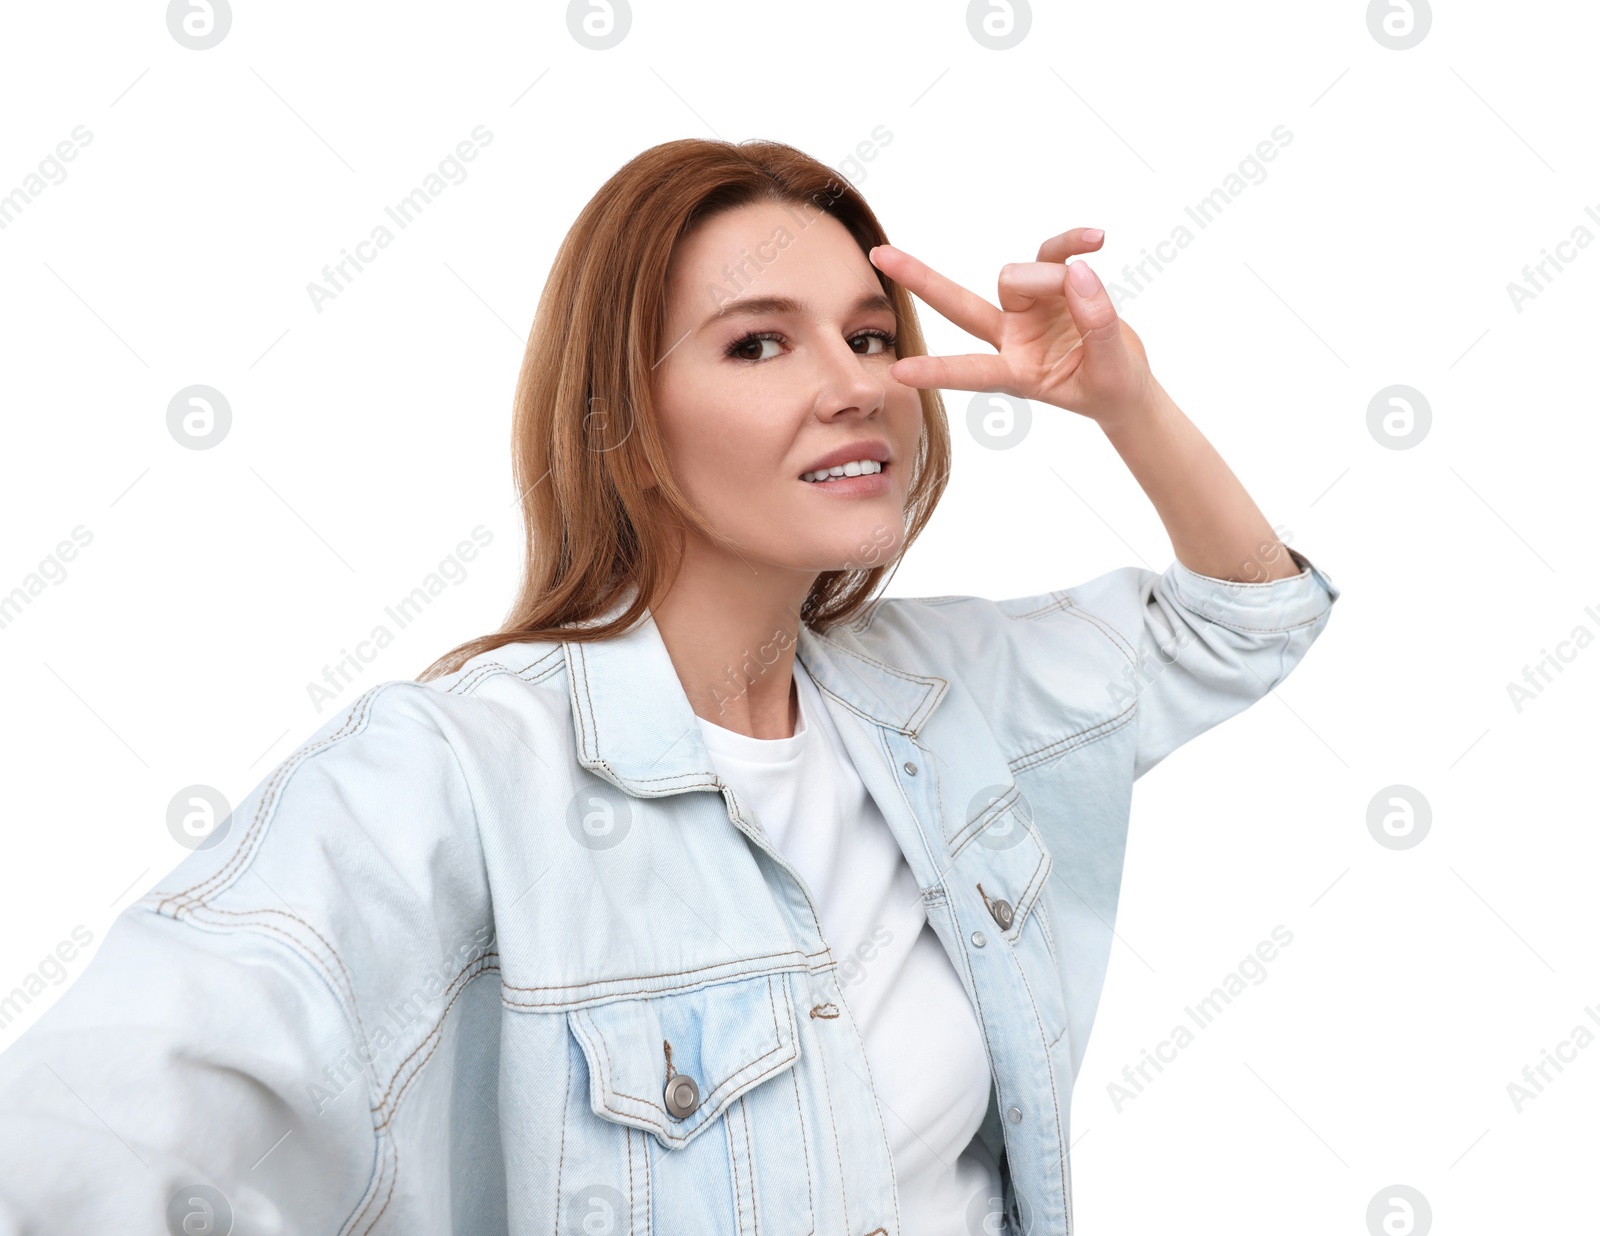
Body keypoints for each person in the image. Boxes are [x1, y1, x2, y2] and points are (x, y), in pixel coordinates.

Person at [0, 138, 1340, 1234]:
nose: (853, 387)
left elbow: (1246, 622)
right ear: (627, 422)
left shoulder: (940, 694)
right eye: (759, 345)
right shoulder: (457, 772)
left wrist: (1125, 403)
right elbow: (97, 1130)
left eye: (874, 339)